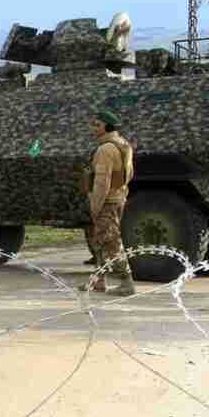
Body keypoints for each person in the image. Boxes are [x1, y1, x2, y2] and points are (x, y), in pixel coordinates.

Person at [80, 109, 135, 296]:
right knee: (100, 240)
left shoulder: (105, 149)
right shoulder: (123, 144)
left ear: (108, 127)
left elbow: (102, 182)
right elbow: (129, 174)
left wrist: (96, 206)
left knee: (111, 242)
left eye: (97, 125)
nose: (93, 128)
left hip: (106, 202)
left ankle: (126, 283)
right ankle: (98, 281)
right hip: (118, 198)